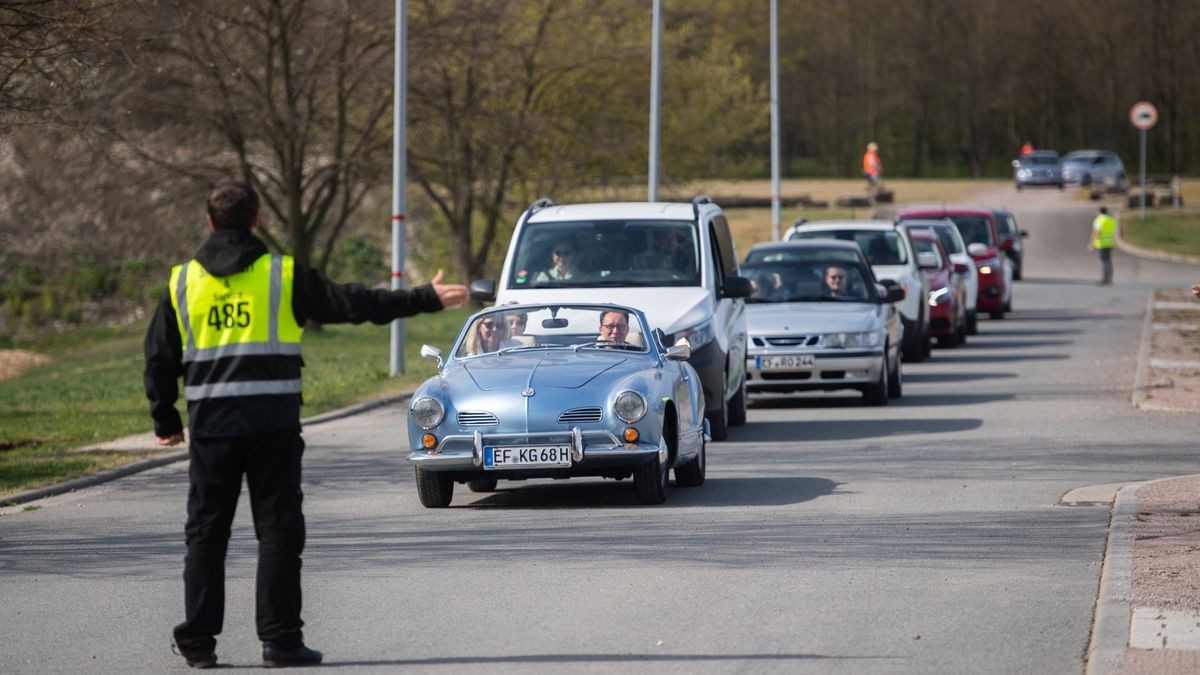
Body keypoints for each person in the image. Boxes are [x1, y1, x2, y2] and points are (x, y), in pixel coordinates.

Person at [143, 181, 467, 669]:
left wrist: (165, 418)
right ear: (256, 220)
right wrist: (424, 297)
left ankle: (198, 645)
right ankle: (280, 642)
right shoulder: (281, 274)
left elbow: (159, 358)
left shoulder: (182, 282)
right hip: (272, 426)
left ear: (210, 223)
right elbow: (354, 304)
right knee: (277, 532)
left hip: (212, 431)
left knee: (206, 535)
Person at [1088, 206, 1117, 285]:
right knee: (1108, 261)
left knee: (1103, 262)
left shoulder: (1099, 220)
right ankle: (1110, 278)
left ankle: (1104, 279)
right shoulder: (1111, 219)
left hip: (1102, 243)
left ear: (1099, 212)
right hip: (1110, 243)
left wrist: (1091, 243)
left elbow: (1096, 232)